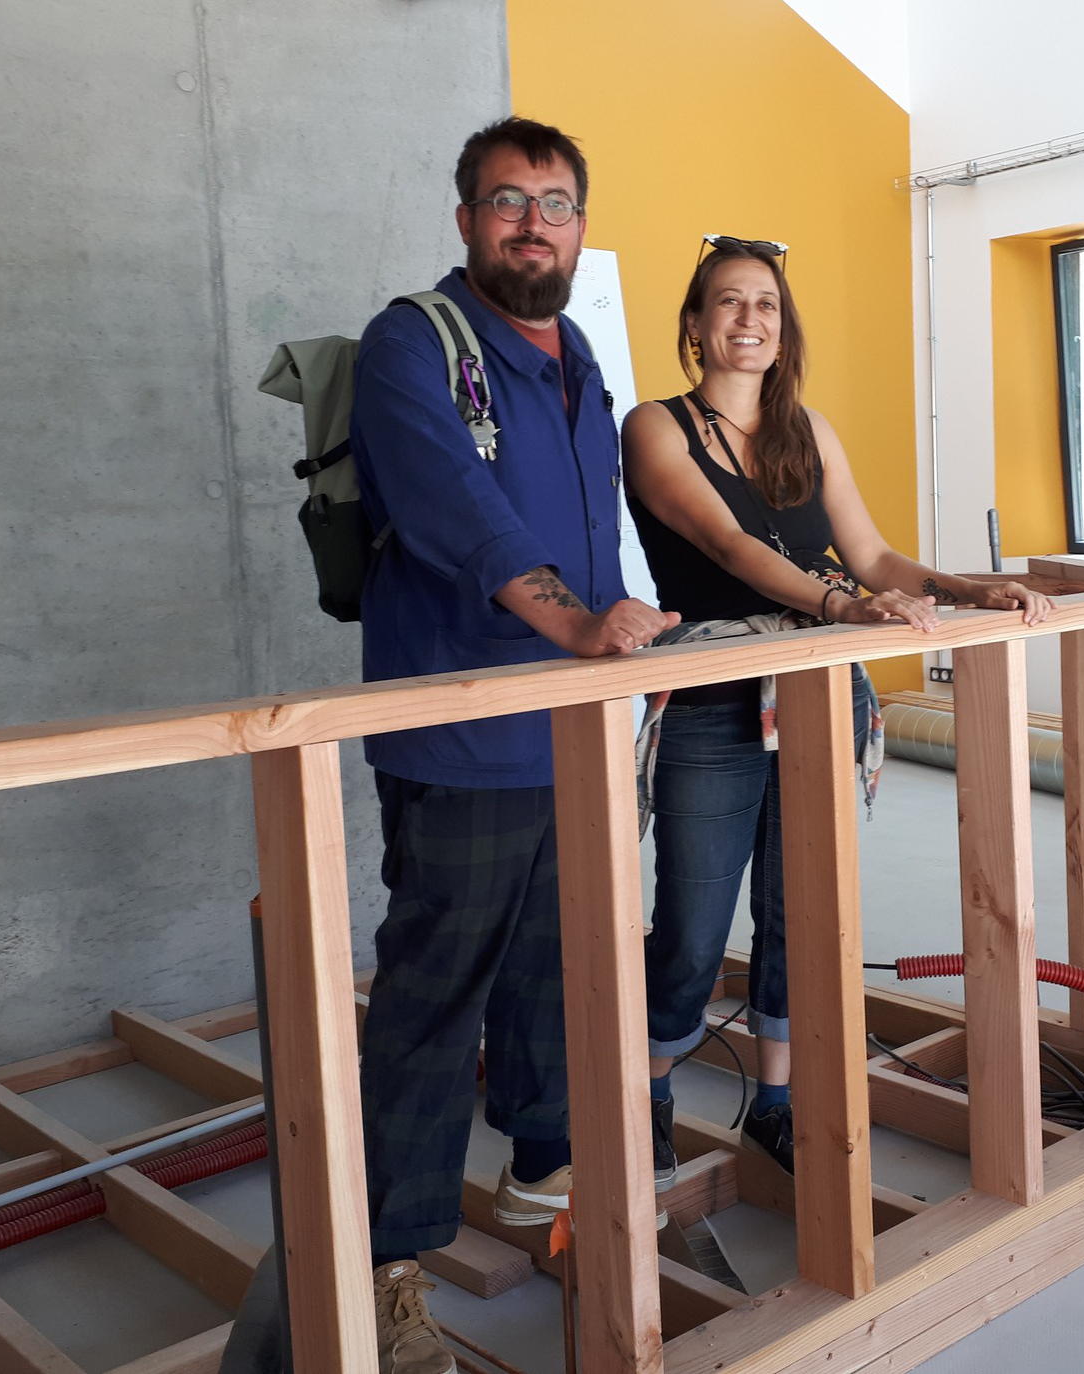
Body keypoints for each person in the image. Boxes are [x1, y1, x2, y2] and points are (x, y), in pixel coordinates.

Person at [619, 236, 1052, 1190]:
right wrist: (842, 607)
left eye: (766, 305)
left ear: (784, 327)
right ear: (694, 325)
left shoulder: (808, 432)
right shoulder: (655, 427)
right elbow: (727, 545)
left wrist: (959, 586)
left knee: (800, 908)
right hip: (713, 700)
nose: (748, 320)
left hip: (822, 695)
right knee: (692, 917)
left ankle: (776, 1102)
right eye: (727, 303)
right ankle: (645, 1099)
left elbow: (873, 555)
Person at [348, 117, 674, 1374]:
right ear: (465, 221)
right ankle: (389, 1260)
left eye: (554, 203)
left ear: (581, 227)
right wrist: (578, 627)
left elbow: (596, 528)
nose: (532, 223)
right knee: (435, 1001)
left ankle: (548, 1175)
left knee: (559, 973)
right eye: (505, 202)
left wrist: (624, 648)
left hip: (578, 734)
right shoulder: (411, 345)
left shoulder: (576, 354)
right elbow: (459, 517)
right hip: (460, 738)